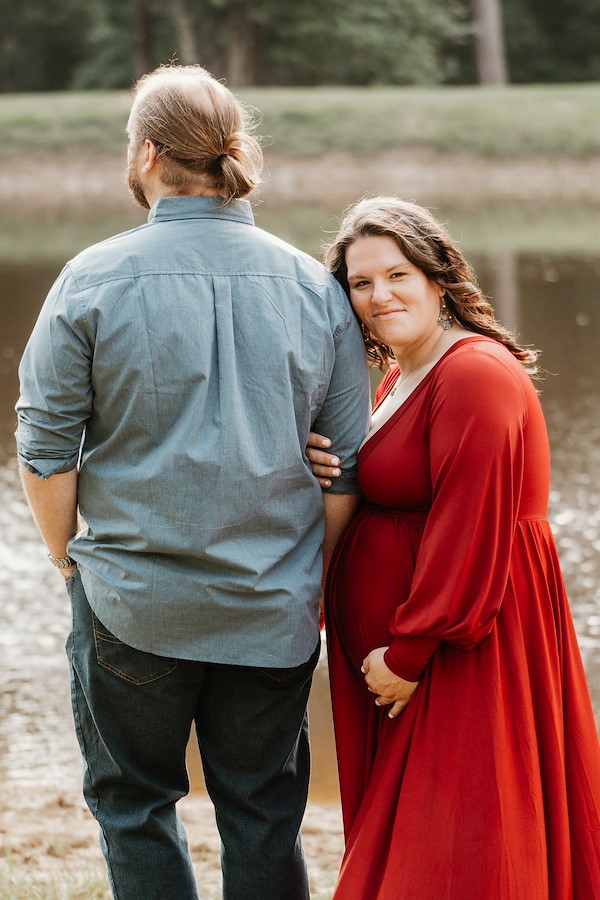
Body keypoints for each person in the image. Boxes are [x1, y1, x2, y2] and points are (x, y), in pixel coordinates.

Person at [15, 65, 370, 900]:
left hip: (131, 602)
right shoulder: (314, 288)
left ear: (144, 153)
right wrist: (310, 576)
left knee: (134, 802)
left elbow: (44, 449)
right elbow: (348, 465)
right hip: (271, 606)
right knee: (263, 809)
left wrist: (71, 561)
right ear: (232, 155)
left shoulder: (91, 278)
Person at [306, 196, 600, 898]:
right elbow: (400, 484)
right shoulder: (403, 374)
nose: (379, 296)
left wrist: (410, 650)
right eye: (360, 282)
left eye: (397, 274)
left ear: (439, 277)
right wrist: (332, 464)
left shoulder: (473, 374)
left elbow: (471, 526)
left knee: (454, 848)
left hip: (461, 651)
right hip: (415, 652)